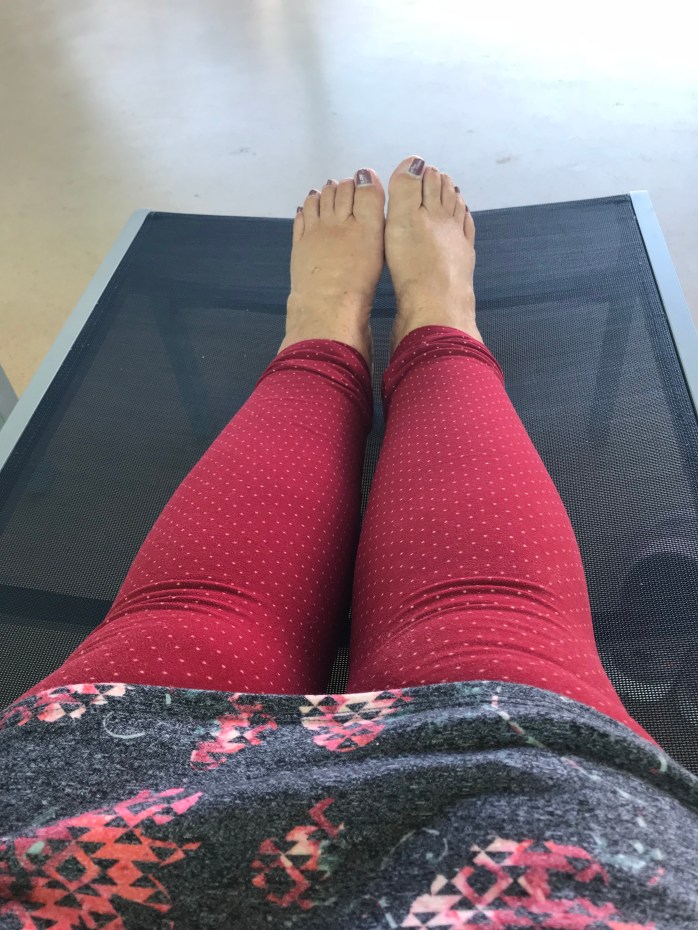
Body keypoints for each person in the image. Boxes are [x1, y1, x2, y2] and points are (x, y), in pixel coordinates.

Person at [1, 155, 697, 928]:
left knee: (190, 623)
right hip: (534, 821)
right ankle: (437, 318)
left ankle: (325, 330)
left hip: (87, 808)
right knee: (485, 625)